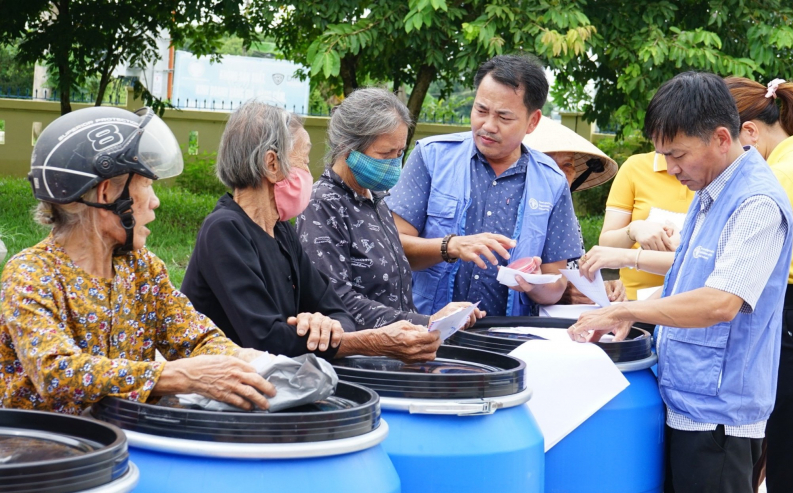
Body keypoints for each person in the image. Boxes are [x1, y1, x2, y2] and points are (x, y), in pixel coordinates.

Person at [568, 72, 793, 493]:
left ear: (722, 139)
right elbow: (685, 279)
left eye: (677, 155)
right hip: (685, 398)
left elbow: (720, 303)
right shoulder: (711, 191)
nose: (671, 170)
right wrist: (635, 319)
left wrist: (627, 309)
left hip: (719, 418)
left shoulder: (757, 202)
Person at [0, 107, 275, 414]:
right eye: (146, 184)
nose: (155, 201)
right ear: (106, 193)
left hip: (128, 445)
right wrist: (178, 376)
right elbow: (56, 374)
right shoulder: (30, 274)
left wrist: (251, 365)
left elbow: (198, 338)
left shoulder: (142, 268)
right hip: (44, 453)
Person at [181, 101, 441, 363]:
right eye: (303, 161)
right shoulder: (225, 231)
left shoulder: (280, 230)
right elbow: (266, 339)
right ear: (272, 164)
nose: (308, 172)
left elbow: (339, 313)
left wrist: (322, 324)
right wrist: (372, 341)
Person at [388, 55, 584, 317]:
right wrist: (450, 246)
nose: (488, 126)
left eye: (504, 117)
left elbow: (555, 284)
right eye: (481, 111)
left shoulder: (552, 181)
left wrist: (534, 284)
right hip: (430, 331)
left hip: (510, 337)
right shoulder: (432, 157)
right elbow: (393, 246)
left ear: (533, 121)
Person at [297, 88, 483, 329]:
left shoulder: (375, 200)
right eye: (385, 154)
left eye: (400, 153)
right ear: (347, 147)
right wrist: (425, 322)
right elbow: (335, 300)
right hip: (361, 358)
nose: (395, 164)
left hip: (398, 351)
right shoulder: (322, 203)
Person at [727, 76, 793, 493]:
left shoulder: (781, 176)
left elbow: (739, 257)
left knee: (787, 452)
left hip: (790, 315)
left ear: (748, 133)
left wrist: (632, 255)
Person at [521, 115, 624, 303]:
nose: (559, 173)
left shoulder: (565, 213)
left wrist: (603, 286)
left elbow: (575, 271)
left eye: (567, 164)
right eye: (548, 163)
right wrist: (563, 291)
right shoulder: (518, 212)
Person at [587, 144, 694, 301]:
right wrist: (634, 230)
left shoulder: (716, 175)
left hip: (692, 305)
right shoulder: (635, 168)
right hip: (632, 301)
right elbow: (607, 247)